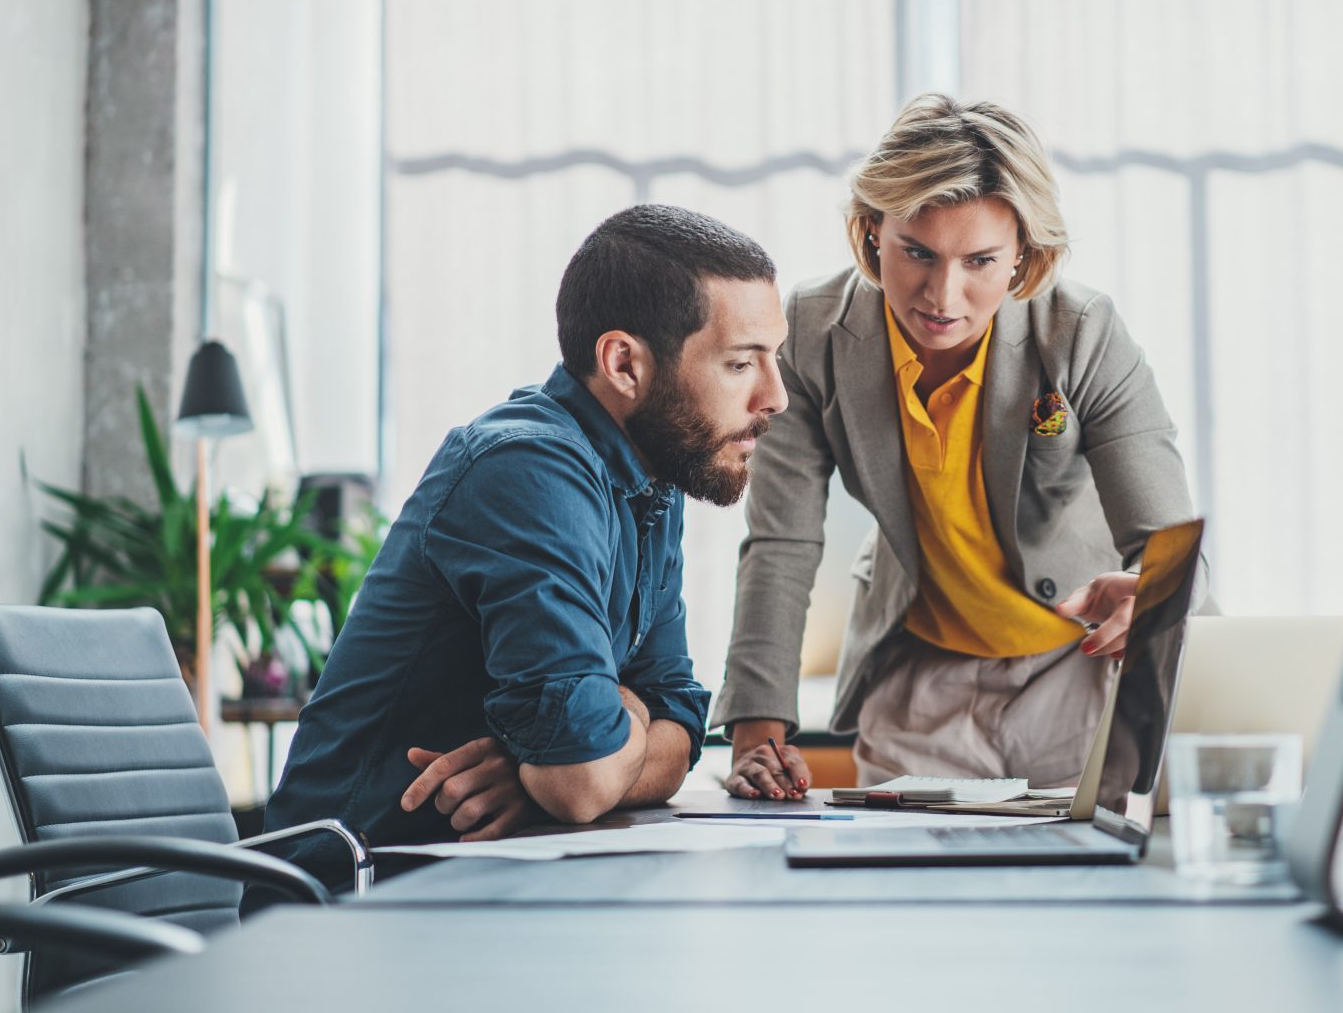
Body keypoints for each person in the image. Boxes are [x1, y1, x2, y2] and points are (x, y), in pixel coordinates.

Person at [262, 204, 788, 884]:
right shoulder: (528, 472)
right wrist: (592, 746)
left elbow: (680, 716)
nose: (775, 396)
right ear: (624, 363)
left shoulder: (651, 481)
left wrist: (540, 766)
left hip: (482, 884)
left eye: (773, 358)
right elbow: (580, 782)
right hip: (350, 906)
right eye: (741, 363)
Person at [714, 94, 1208, 811]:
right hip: (919, 686)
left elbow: (1164, 541)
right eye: (916, 252)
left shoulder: (1081, 332)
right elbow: (782, 540)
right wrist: (757, 733)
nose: (943, 295)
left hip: (1073, 677)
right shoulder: (810, 333)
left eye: (980, 261)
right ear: (870, 232)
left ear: (1023, 258)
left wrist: (1152, 597)